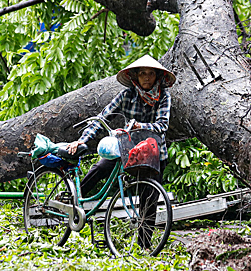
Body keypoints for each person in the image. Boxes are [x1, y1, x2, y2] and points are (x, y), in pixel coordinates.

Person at [65, 54, 176, 198]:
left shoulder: (163, 96)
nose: (146, 77)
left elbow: (162, 125)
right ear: (136, 76)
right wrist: (83, 139)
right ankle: (71, 199)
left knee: (148, 197)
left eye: (151, 73)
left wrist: (139, 126)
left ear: (157, 76)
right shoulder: (126, 95)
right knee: (100, 168)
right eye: (142, 73)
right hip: (127, 149)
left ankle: (145, 221)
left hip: (154, 153)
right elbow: (102, 117)